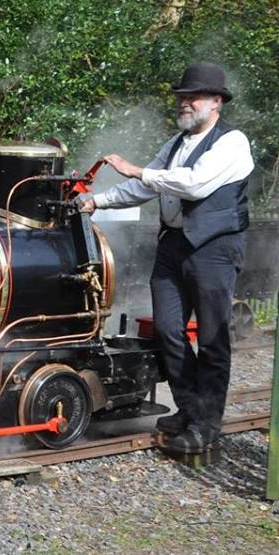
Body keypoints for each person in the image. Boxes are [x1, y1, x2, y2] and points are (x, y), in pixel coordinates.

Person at [81, 62, 254, 454]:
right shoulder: (175, 145)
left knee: (212, 339)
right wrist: (96, 201)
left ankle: (207, 425)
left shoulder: (233, 142)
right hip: (173, 245)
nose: (185, 103)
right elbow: (141, 189)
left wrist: (137, 169)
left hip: (215, 249)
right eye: (182, 97)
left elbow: (194, 184)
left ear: (217, 103)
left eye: (193, 97)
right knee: (167, 331)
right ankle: (190, 409)